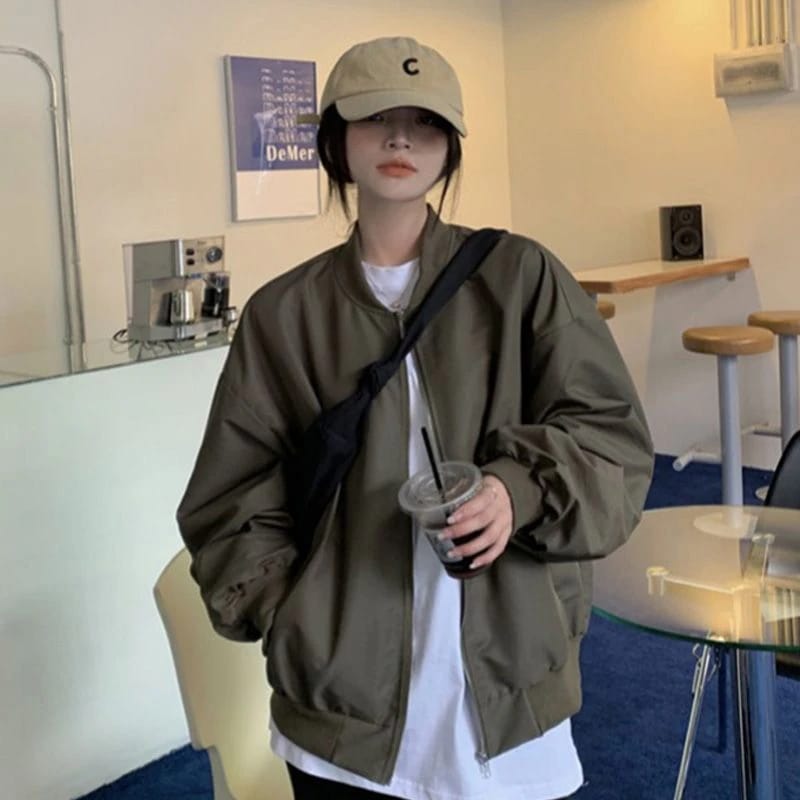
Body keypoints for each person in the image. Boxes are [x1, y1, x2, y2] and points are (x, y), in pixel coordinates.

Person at [177, 36, 654, 800]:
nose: (400, 139)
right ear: (336, 139)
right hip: (340, 713)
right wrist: (297, 616)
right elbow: (233, 495)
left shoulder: (520, 277)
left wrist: (516, 491)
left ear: (450, 146)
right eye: (376, 118)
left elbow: (611, 438)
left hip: (507, 689)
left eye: (425, 123)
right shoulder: (283, 314)